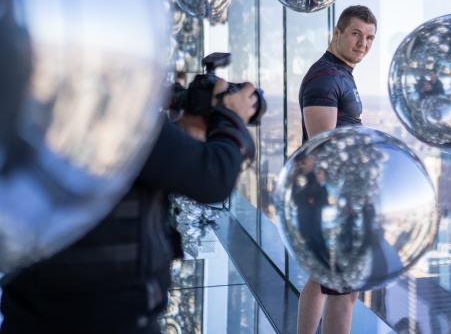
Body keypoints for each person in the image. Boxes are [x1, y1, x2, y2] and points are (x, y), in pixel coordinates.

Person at [0, 78, 258, 334]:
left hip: (31, 311)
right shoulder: (111, 114)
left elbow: (148, 159)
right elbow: (213, 177)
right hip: (109, 315)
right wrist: (230, 117)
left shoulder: (34, 105)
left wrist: (180, 129)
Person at [296, 5, 377, 334]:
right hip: (332, 197)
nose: (363, 43)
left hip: (330, 195)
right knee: (345, 292)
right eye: (356, 34)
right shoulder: (326, 78)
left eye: (370, 37)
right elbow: (323, 148)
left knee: (322, 277)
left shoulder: (338, 74)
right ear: (337, 33)